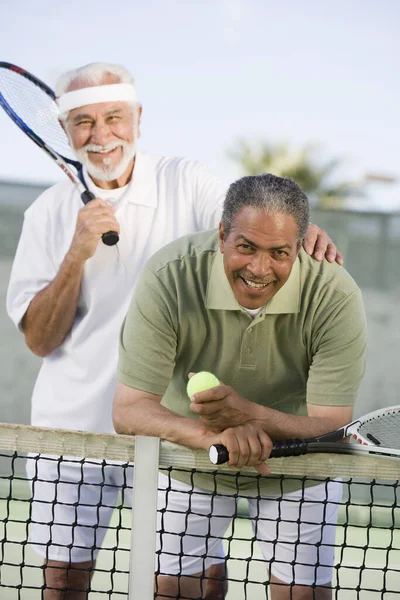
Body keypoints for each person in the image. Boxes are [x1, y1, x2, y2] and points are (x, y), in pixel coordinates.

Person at [6, 61, 342, 600]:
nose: (101, 135)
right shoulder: (47, 214)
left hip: (172, 424)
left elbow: (247, 218)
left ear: (138, 118)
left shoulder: (185, 178)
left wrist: (301, 231)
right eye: (84, 122)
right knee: (64, 580)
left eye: (114, 117)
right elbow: (40, 340)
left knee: (201, 577)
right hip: (72, 432)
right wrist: (78, 251)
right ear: (65, 132)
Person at [113, 173, 367, 600]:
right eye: (246, 246)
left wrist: (248, 416)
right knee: (174, 590)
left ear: (299, 248)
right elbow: (129, 410)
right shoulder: (169, 274)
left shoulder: (334, 295)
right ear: (222, 235)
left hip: (301, 468)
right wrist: (214, 434)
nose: (259, 268)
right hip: (190, 458)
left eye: (279, 253)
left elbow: (331, 428)